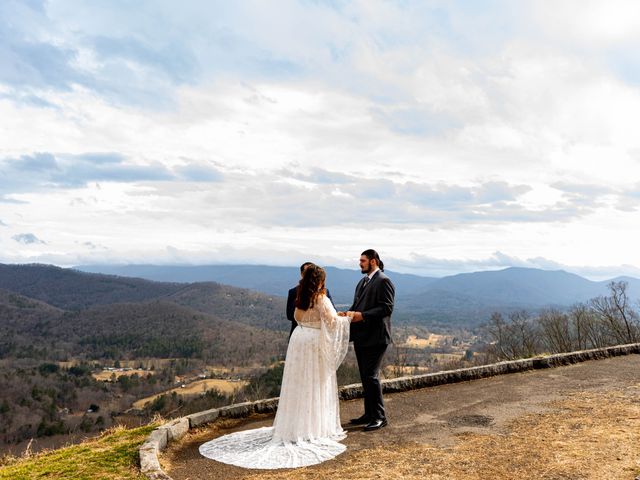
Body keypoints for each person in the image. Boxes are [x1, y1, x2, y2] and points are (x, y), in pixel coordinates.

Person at [200, 265, 356, 469]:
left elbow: (297, 318)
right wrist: (349, 317)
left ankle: (293, 427)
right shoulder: (321, 298)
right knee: (314, 383)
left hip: (299, 339)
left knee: (298, 383)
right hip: (312, 343)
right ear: (319, 281)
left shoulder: (300, 297)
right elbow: (333, 323)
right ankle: (312, 428)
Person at [339, 249, 395, 431]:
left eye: (362, 260)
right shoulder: (362, 282)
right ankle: (369, 414)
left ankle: (380, 417)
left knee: (371, 376)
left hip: (377, 337)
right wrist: (346, 314)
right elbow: (356, 307)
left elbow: (386, 309)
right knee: (365, 377)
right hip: (362, 337)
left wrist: (362, 316)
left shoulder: (384, 281)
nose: (359, 263)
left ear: (373, 261)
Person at [286, 262, 335, 339]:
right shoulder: (293, 292)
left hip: (319, 335)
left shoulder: (325, 292)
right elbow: (289, 315)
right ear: (302, 274)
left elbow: (331, 312)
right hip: (298, 334)